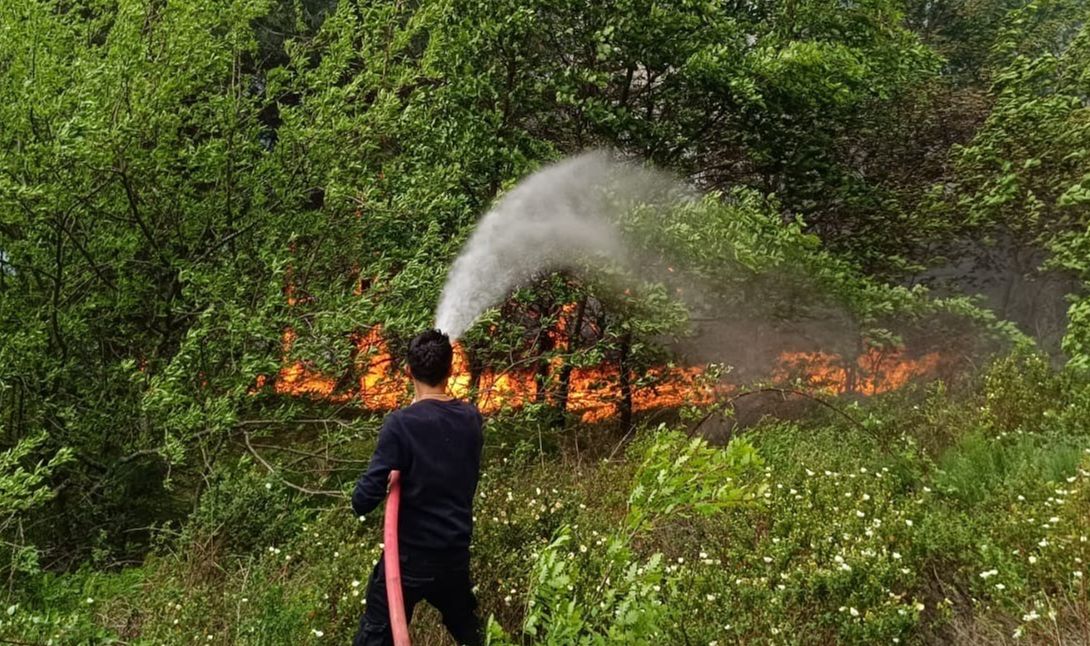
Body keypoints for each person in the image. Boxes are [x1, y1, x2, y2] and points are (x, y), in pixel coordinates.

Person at [351, 329, 484, 646]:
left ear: (408, 370)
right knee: (472, 634)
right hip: (454, 555)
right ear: (451, 370)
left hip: (407, 562)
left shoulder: (401, 424)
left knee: (374, 636)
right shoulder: (472, 419)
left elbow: (362, 500)